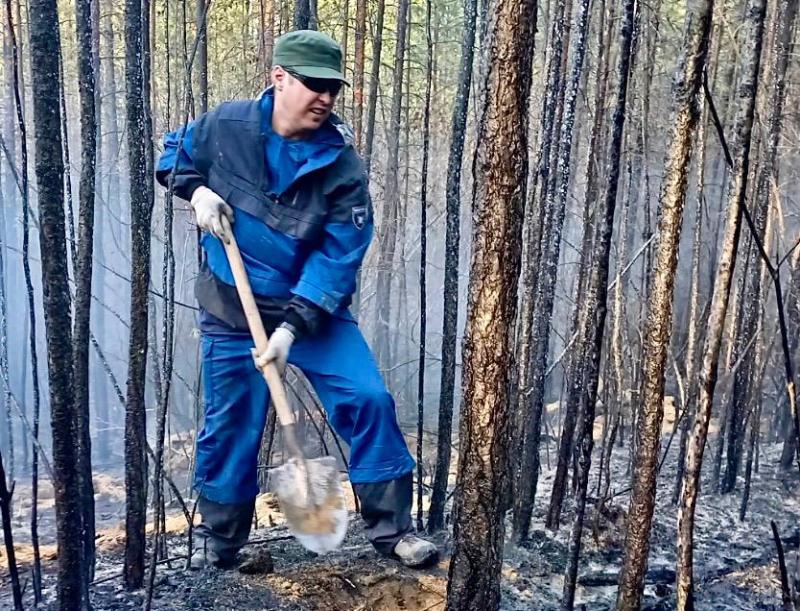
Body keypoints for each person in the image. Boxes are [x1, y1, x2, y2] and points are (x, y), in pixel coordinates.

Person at [156, 29, 438, 570]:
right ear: (279, 78)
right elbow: (174, 154)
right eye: (314, 85)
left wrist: (290, 329)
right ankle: (222, 542)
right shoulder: (227, 125)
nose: (325, 97)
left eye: (333, 88)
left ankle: (394, 531)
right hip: (232, 310)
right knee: (231, 421)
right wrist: (198, 190)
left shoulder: (341, 167)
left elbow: (338, 256)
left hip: (312, 313)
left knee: (368, 398)